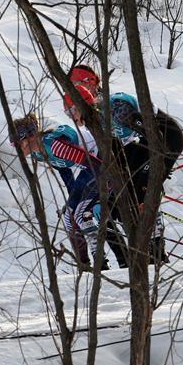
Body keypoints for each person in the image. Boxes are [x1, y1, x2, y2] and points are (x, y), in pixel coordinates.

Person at [69, 65, 183, 263]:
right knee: (118, 201)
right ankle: (141, 251)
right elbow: (116, 153)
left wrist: (152, 171)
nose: (71, 114)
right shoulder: (98, 119)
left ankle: (156, 253)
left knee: (139, 192)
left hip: (167, 140)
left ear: (87, 87)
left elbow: (153, 136)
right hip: (145, 145)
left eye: (76, 87)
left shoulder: (115, 107)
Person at [10, 112, 107, 269]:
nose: (16, 148)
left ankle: (99, 264)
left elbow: (94, 163)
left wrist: (110, 184)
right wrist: (73, 201)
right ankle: (85, 265)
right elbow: (65, 172)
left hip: (101, 158)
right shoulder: (38, 154)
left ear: (31, 136)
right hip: (91, 167)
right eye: (13, 144)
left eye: (17, 143)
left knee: (79, 214)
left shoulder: (56, 146)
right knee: (71, 216)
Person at [62, 84, 130, 268]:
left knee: (101, 213)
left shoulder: (98, 119)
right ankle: (123, 260)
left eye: (72, 112)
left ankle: (127, 258)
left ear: (81, 106)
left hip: (117, 170)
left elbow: (113, 145)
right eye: (67, 114)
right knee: (100, 213)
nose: (71, 118)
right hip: (105, 172)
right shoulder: (93, 121)